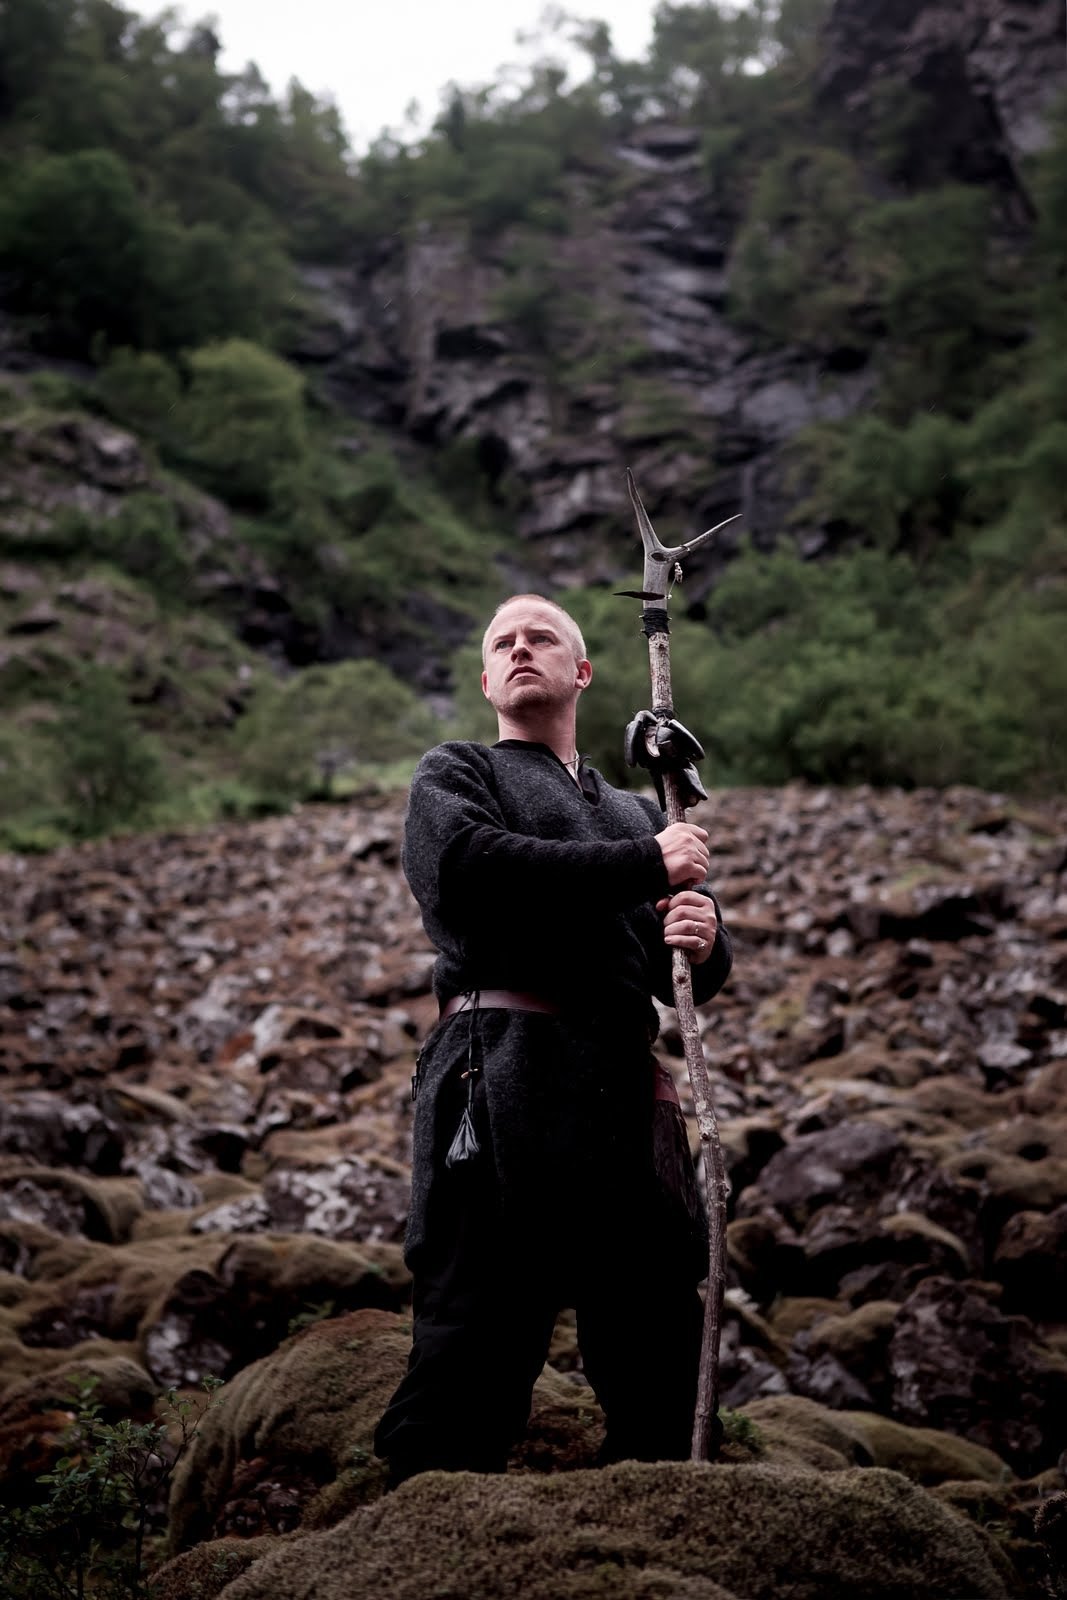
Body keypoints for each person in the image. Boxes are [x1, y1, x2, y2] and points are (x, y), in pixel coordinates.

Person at [374, 593, 732, 1485]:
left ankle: (657, 1526)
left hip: (622, 1091)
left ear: (582, 672)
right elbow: (468, 870)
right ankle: (426, 1534)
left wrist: (701, 936)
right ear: (485, 679)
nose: (520, 649)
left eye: (541, 638)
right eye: (503, 642)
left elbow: (677, 971)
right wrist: (647, 863)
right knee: (471, 1345)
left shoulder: (638, 813)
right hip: (497, 1074)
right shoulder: (457, 771)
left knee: (657, 1347)